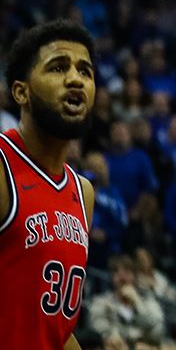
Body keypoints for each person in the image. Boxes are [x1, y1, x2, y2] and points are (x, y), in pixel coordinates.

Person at [2, 19, 100, 350]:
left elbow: (53, 330)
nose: (75, 79)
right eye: (58, 68)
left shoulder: (82, 191)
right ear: (21, 92)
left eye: (85, 72)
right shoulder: (2, 167)